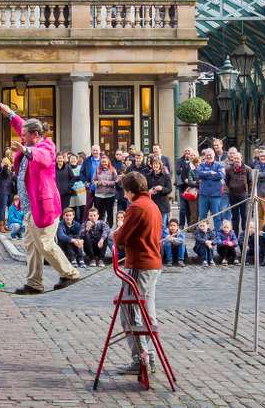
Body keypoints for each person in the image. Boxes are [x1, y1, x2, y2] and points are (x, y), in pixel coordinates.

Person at [0, 102, 80, 294]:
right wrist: (9, 114)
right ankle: (34, 283)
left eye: (24, 135)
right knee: (31, 246)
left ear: (35, 134)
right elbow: (21, 125)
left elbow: (42, 156)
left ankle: (70, 274)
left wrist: (26, 150)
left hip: (43, 207)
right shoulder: (30, 140)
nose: (21, 137)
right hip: (29, 207)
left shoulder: (46, 147)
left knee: (44, 244)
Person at [112, 171, 163, 375]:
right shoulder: (152, 204)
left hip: (140, 265)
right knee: (148, 312)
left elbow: (120, 238)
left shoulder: (136, 207)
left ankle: (141, 359)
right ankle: (149, 356)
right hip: (152, 264)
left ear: (131, 191)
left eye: (125, 192)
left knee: (130, 312)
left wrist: (116, 232)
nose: (125, 195)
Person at [196, 148, 225, 232]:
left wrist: (205, 175)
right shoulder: (201, 165)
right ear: (204, 156)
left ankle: (218, 233)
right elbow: (198, 174)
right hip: (203, 195)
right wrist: (210, 173)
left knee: (217, 216)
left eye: (210, 155)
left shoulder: (219, 165)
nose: (208, 156)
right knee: (202, 216)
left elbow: (221, 175)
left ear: (214, 155)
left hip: (216, 195)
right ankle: (202, 233)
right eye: (207, 155)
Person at [224, 151, 252, 239]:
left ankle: (245, 236)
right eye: (234, 158)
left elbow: (250, 182)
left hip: (243, 195)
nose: (236, 160)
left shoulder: (247, 169)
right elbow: (226, 181)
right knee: (235, 216)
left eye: (238, 158)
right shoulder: (228, 169)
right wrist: (230, 189)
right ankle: (235, 236)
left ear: (241, 158)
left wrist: (249, 195)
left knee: (244, 216)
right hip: (233, 195)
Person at [145, 156, 172, 228]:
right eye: (154, 164)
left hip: (163, 205)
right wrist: (149, 191)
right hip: (152, 203)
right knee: (152, 225)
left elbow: (169, 189)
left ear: (160, 165)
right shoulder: (148, 176)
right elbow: (144, 189)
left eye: (157, 164)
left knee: (162, 226)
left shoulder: (166, 176)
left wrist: (162, 188)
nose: (155, 165)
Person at [92, 154, 118, 226]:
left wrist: (107, 183)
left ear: (108, 162)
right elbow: (94, 180)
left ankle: (110, 227)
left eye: (105, 162)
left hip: (110, 195)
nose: (104, 163)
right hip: (99, 195)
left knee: (110, 212)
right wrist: (99, 182)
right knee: (100, 213)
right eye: (102, 162)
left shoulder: (113, 170)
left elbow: (116, 181)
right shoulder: (97, 170)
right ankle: (100, 226)